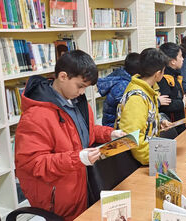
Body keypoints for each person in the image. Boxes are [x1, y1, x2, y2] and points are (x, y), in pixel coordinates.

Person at [15, 50, 126, 220]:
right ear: (63, 76)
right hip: (57, 197)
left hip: (80, 187)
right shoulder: (36, 115)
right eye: (80, 86)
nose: (82, 92)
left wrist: (110, 134)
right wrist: (78, 158)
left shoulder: (78, 102)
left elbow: (84, 132)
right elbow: (33, 164)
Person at [115, 48, 171, 165]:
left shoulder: (147, 89)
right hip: (137, 162)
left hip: (145, 157)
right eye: (163, 71)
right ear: (157, 74)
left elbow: (145, 118)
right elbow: (133, 138)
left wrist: (158, 121)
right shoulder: (137, 98)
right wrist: (160, 156)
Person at [158, 42, 186, 135]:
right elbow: (165, 105)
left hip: (179, 120)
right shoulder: (163, 78)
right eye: (180, 56)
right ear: (173, 61)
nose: (183, 59)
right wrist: (182, 103)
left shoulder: (174, 74)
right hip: (172, 125)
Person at [97, 52, 140, 127]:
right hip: (113, 126)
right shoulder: (122, 86)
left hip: (114, 123)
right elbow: (130, 108)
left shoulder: (121, 75)